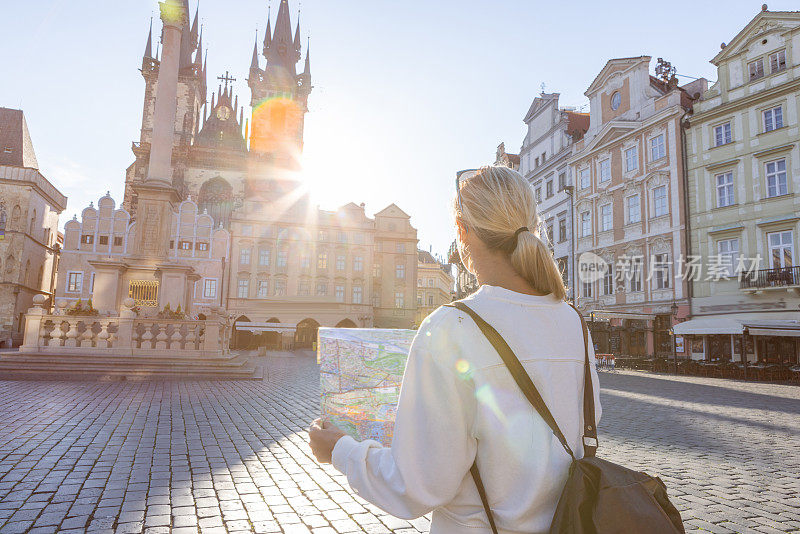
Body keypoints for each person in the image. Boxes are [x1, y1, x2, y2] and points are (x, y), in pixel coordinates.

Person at [309, 165, 601, 534]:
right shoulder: (574, 322)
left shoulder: (450, 327)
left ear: (463, 232)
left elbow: (417, 485)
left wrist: (339, 449)